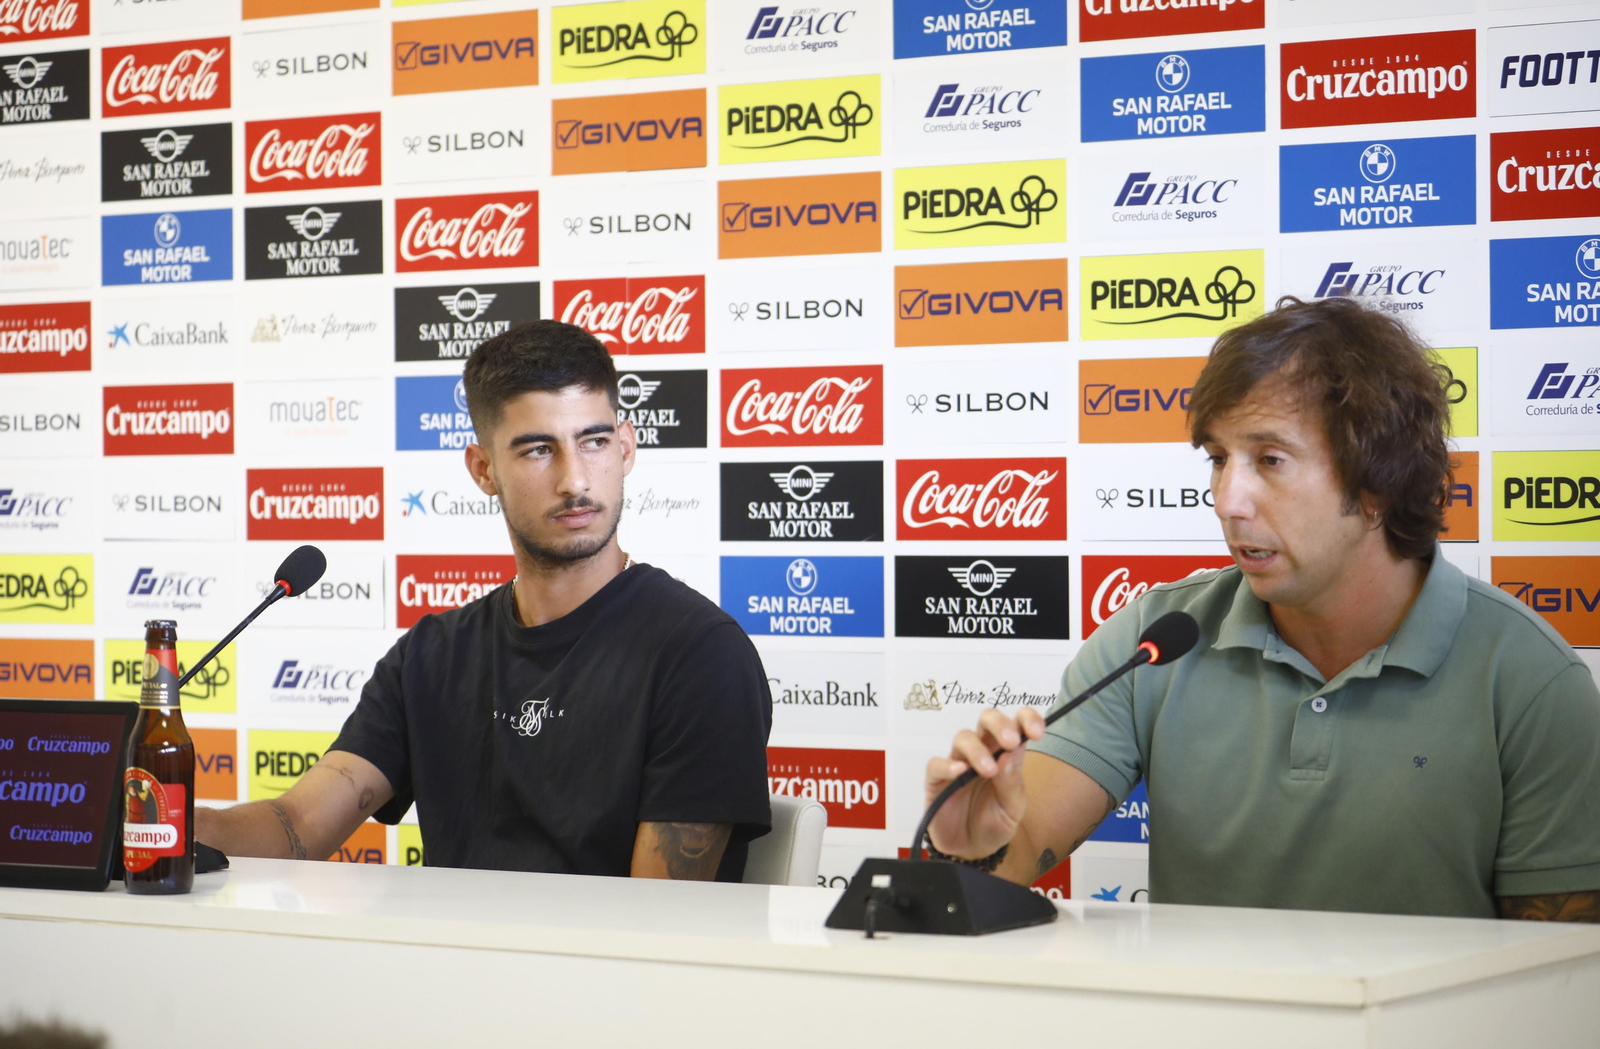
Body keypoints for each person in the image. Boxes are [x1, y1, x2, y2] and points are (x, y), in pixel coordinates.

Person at [924, 297, 1600, 921]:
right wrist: (975, 845)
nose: (1227, 498)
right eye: (1218, 459)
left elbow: (1559, 979)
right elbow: (1020, 844)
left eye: (1269, 459)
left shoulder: (1529, 681)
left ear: (1376, 484)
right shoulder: (1156, 638)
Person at [198, 322, 773, 881]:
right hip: (446, 970)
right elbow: (298, 826)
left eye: (593, 441)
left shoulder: (699, 654)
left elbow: (656, 925)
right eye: (537, 451)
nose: (575, 480)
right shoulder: (432, 654)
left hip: (599, 976)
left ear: (625, 449)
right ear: (483, 470)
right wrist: (157, 820)